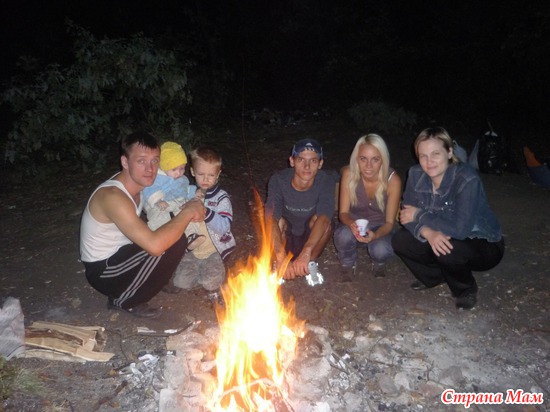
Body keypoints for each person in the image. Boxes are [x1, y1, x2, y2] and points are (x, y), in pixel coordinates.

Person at [79, 131, 205, 318]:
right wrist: (188, 211)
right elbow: (155, 246)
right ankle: (125, 300)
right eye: (141, 161)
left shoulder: (141, 184)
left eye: (154, 161)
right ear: (125, 162)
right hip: (104, 270)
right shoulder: (113, 196)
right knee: (165, 244)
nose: (150, 168)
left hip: (122, 253)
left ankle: (156, 279)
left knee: (174, 236)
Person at [392, 127, 505, 310]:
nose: (429, 162)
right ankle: (436, 277)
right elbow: (406, 215)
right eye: (423, 156)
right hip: (443, 234)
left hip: (483, 243)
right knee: (401, 240)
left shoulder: (466, 179)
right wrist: (428, 233)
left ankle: (465, 290)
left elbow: (460, 230)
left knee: (449, 248)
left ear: (449, 152)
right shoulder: (415, 174)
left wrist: (419, 215)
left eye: (435, 154)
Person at [265, 138, 335, 281]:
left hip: (310, 239)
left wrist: (307, 251)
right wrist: (280, 255)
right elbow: (270, 218)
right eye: (301, 160)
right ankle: (278, 264)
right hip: (285, 237)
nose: (307, 166)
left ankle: (309, 263)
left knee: (325, 223)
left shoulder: (326, 180)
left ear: (320, 164)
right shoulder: (278, 180)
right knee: (276, 221)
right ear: (292, 161)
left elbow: (324, 217)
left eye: (313, 161)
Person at [333, 134, 402, 280]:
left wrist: (376, 235)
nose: (368, 166)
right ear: (356, 159)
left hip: (380, 227)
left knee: (380, 249)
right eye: (363, 159)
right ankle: (347, 263)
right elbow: (343, 213)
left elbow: (390, 223)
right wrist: (351, 224)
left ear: (383, 159)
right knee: (342, 236)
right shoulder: (349, 174)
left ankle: (379, 263)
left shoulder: (393, 181)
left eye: (375, 159)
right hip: (353, 224)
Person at [172, 146, 236, 293]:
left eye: (211, 175)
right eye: (201, 174)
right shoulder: (187, 194)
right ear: (192, 172)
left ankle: (213, 270)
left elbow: (224, 227)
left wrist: (205, 212)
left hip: (214, 251)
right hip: (192, 252)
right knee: (181, 282)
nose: (206, 179)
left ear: (218, 174)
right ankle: (196, 270)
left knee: (210, 283)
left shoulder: (221, 198)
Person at [143, 141, 204, 250]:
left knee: (185, 213)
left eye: (182, 168)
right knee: (159, 216)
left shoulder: (182, 178)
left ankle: (190, 236)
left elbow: (184, 188)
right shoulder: (157, 177)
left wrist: (193, 192)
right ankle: (160, 238)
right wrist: (157, 200)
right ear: (164, 167)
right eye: (174, 169)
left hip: (175, 202)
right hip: (160, 203)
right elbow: (149, 189)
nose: (179, 173)